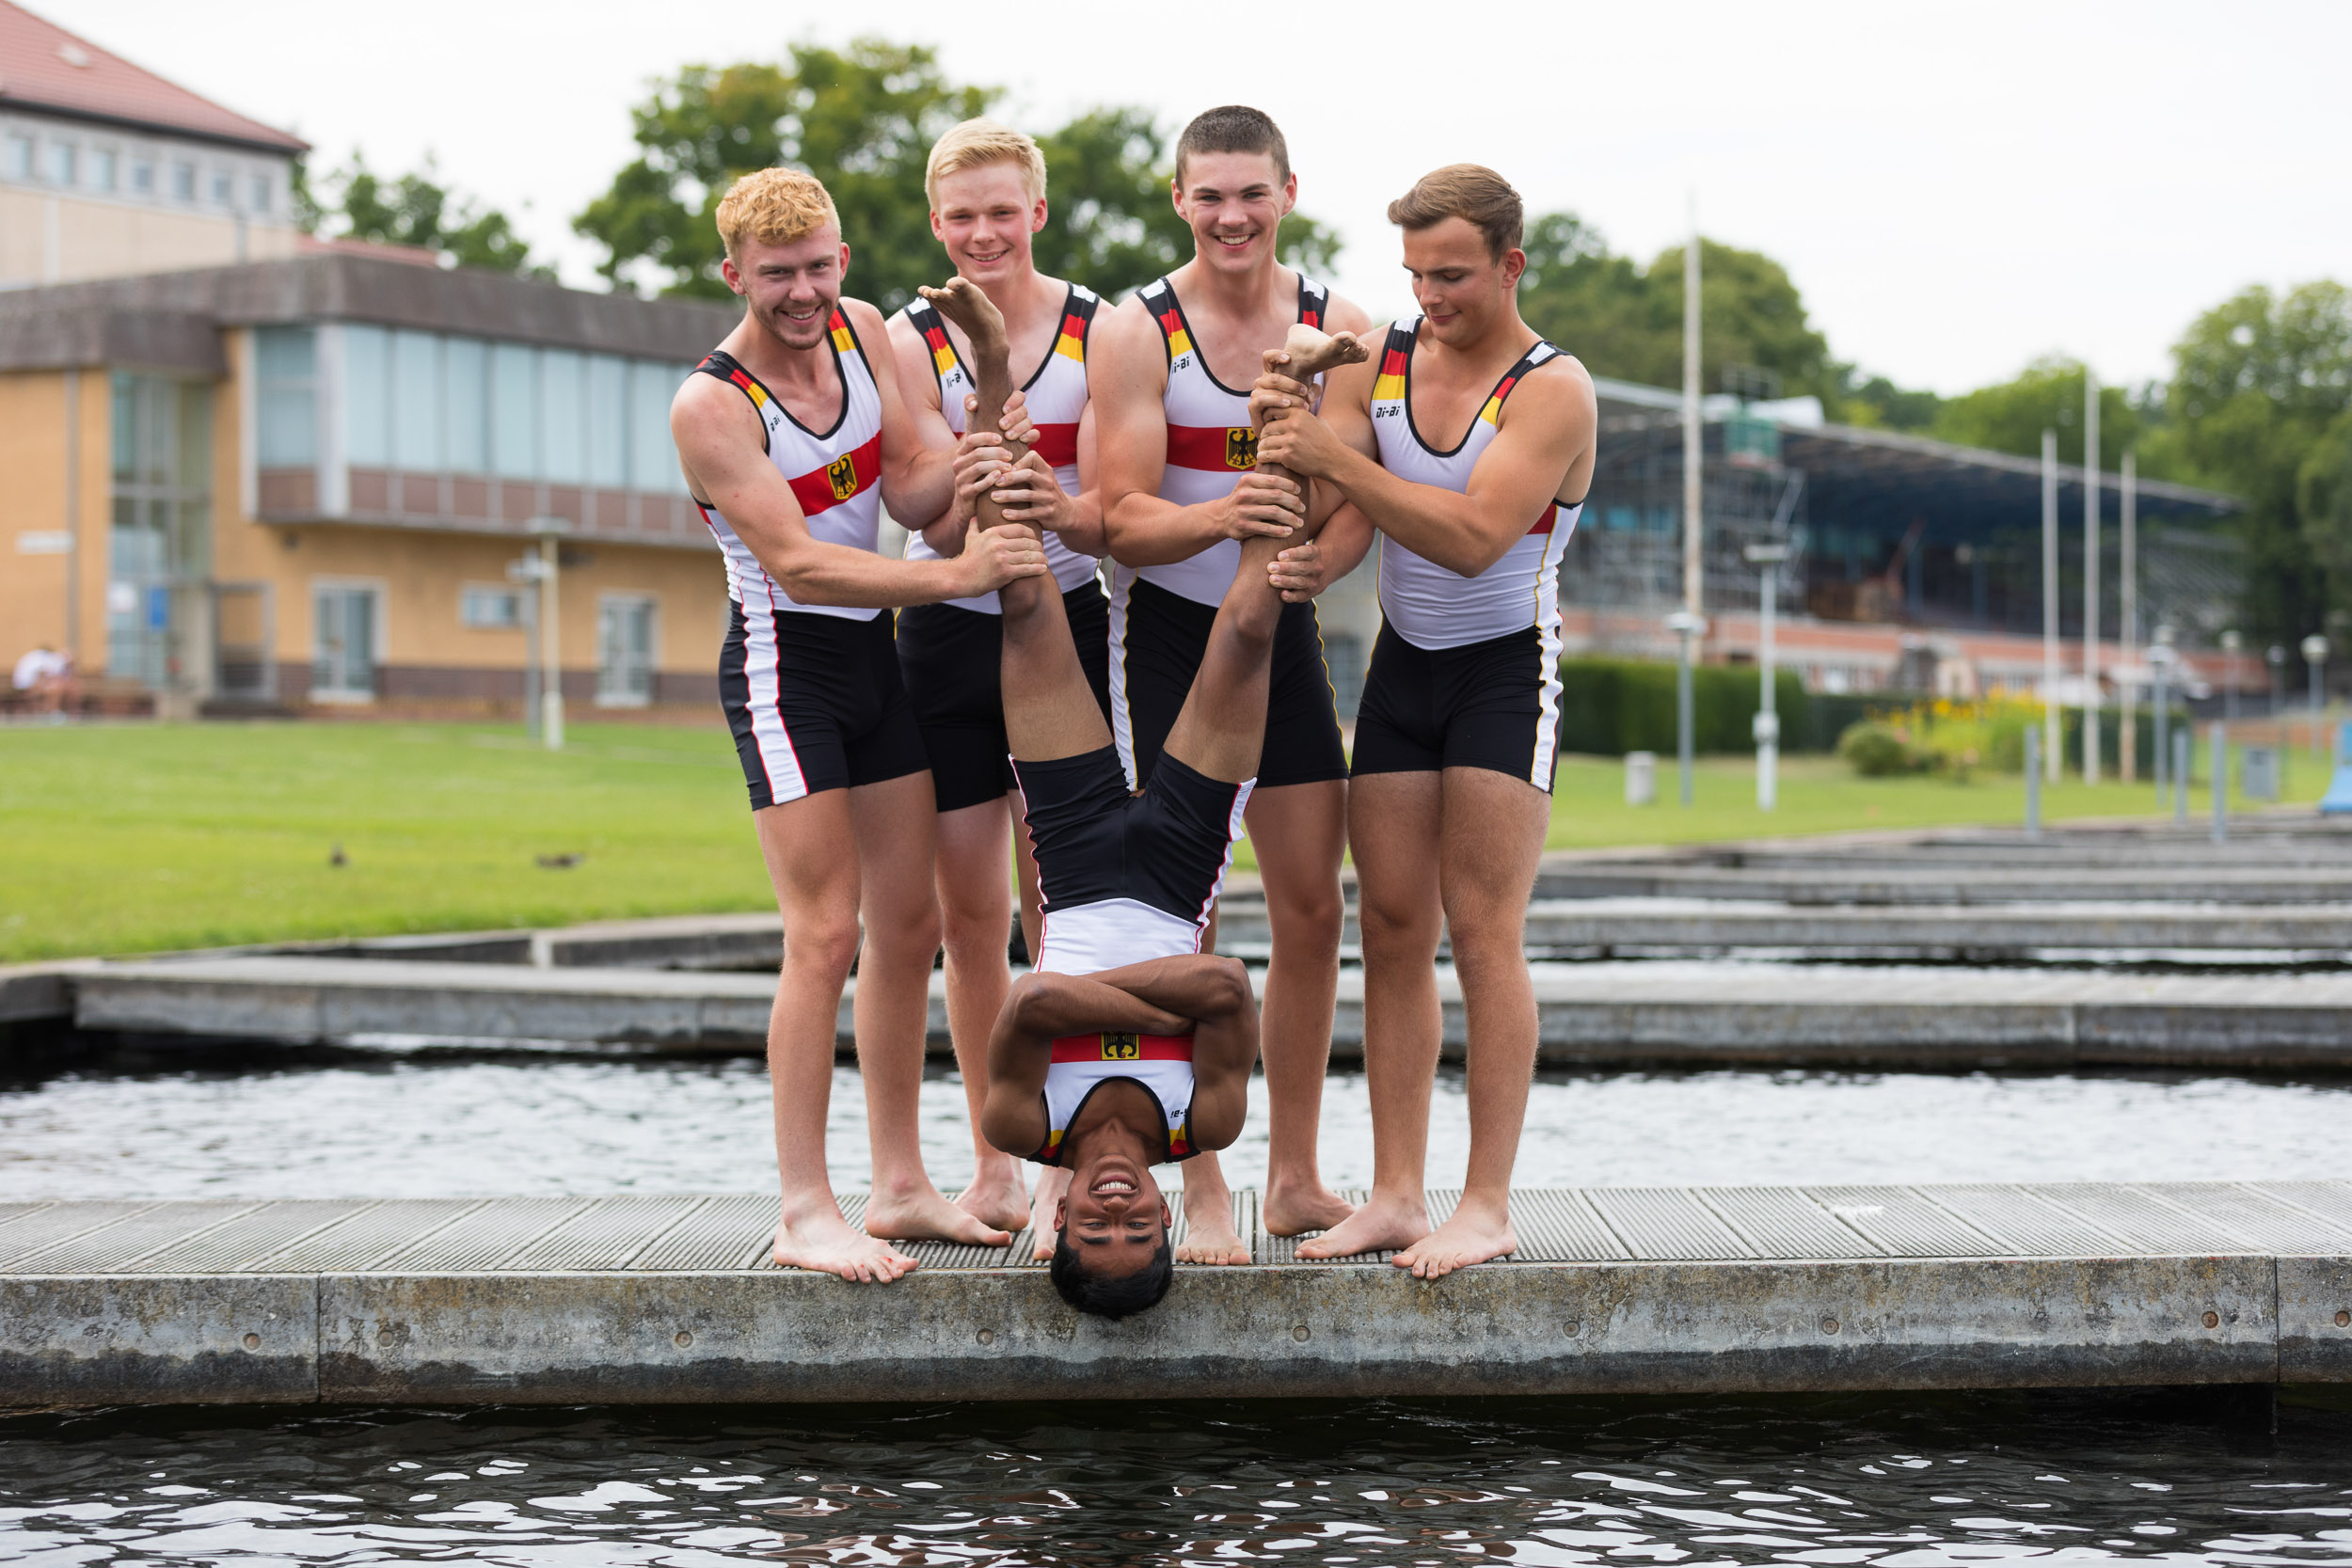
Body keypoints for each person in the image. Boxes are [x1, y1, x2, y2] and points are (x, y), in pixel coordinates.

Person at [920, 272, 1369, 1315]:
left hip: (1072, 862)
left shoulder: (1023, 1127)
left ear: (1063, 1216)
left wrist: (1121, 1004)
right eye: (1134, 1226)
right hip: (1178, 861)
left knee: (1023, 591)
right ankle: (1282, 400)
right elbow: (1225, 984)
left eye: (1095, 1226)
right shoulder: (1199, 1125)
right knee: (1252, 625)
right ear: (1166, 1216)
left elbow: (1033, 993)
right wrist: (1123, 1004)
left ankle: (990, 365)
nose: (1115, 1208)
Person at [669, 167, 1051, 1283]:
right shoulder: (714, 403)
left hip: (873, 665)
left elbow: (917, 485)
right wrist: (962, 573)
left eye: (821, 266)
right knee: (823, 936)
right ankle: (803, 1207)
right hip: (787, 669)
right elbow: (798, 561)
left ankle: (898, 1185)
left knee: (913, 924)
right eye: (778, 275)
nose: (804, 293)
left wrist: (978, 440)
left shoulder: (868, 330)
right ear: (733, 272)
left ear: (843, 257)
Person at [1249, 164, 1597, 1278]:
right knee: (1391, 928)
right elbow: (1343, 507)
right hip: (1404, 670)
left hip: (1504, 673)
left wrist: (1332, 454)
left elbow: (1469, 537)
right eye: (1412, 273)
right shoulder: (1383, 358)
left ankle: (1483, 1201)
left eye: (1451, 275)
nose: (1428, 295)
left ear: (1509, 263)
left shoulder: (1552, 389)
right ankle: (1397, 1192)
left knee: (1482, 929)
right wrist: (1301, 523)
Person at [1090, 104, 1367, 1259]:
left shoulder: (1340, 326)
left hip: (1285, 639)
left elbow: (1353, 503)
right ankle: (1199, 1185)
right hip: (1175, 642)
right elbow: (1119, 517)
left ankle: (1293, 1176)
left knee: (1312, 907)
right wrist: (1231, 513)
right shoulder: (1135, 328)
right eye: (1209, 195)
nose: (1231, 216)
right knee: (1179, 922)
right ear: (1178, 200)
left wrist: (1315, 558)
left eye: (1251, 193)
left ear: (1288, 193)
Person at [883, 119, 1113, 1243]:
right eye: (960, 215)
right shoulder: (901, 333)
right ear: (936, 223)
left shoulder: (1099, 327)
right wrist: (980, 409)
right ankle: (993, 1161)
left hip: (1062, 625)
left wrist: (1026, 461)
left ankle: (1072, 1150)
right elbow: (926, 503)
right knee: (968, 914)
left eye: (1000, 211)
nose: (981, 232)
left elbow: (1112, 494)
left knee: (1059, 910)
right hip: (945, 628)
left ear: (1035, 212)